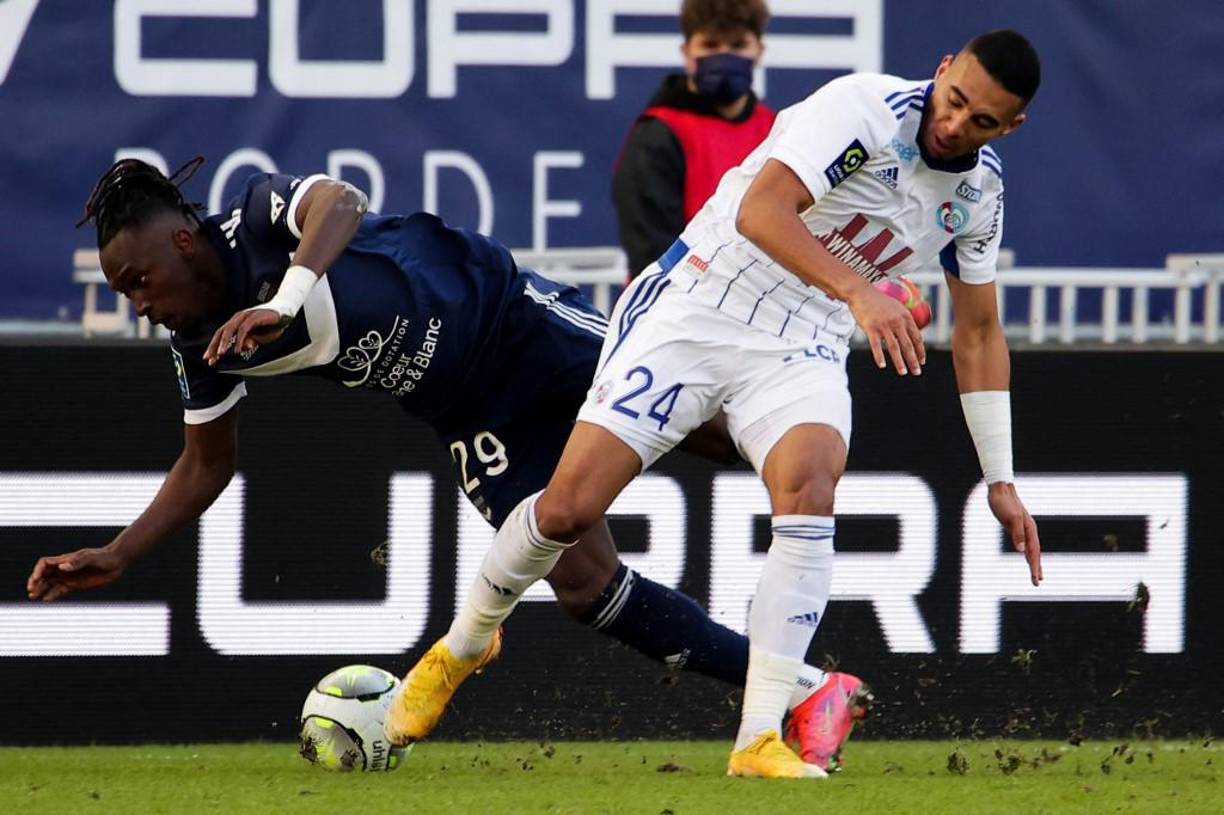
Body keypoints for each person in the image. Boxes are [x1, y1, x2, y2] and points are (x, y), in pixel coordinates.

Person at [25, 157, 867, 769]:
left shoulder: (252, 212)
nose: (139, 303)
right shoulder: (199, 348)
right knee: (581, 588)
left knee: (702, 426)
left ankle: (807, 447)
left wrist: (282, 299)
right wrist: (120, 552)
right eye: (125, 293)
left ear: (182, 238)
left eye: (139, 278)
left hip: (511, 319)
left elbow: (341, 202)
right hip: (467, 410)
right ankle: (803, 695)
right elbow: (205, 465)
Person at [398, 30, 1046, 779]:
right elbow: (762, 212)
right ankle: (462, 647)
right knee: (569, 509)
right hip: (698, 304)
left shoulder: (979, 194)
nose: (955, 125)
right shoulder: (862, 109)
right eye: (956, 99)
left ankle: (759, 737)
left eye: (983, 122)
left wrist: (999, 477)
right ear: (941, 70)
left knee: (811, 485)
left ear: (1012, 128)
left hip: (803, 339)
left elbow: (979, 330)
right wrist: (862, 291)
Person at [613, 0, 774, 279]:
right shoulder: (658, 134)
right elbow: (652, 253)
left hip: (763, 306)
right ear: (687, 52)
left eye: (737, 45)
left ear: (759, 51)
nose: (724, 56)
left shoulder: (776, 129)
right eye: (710, 45)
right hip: (678, 307)